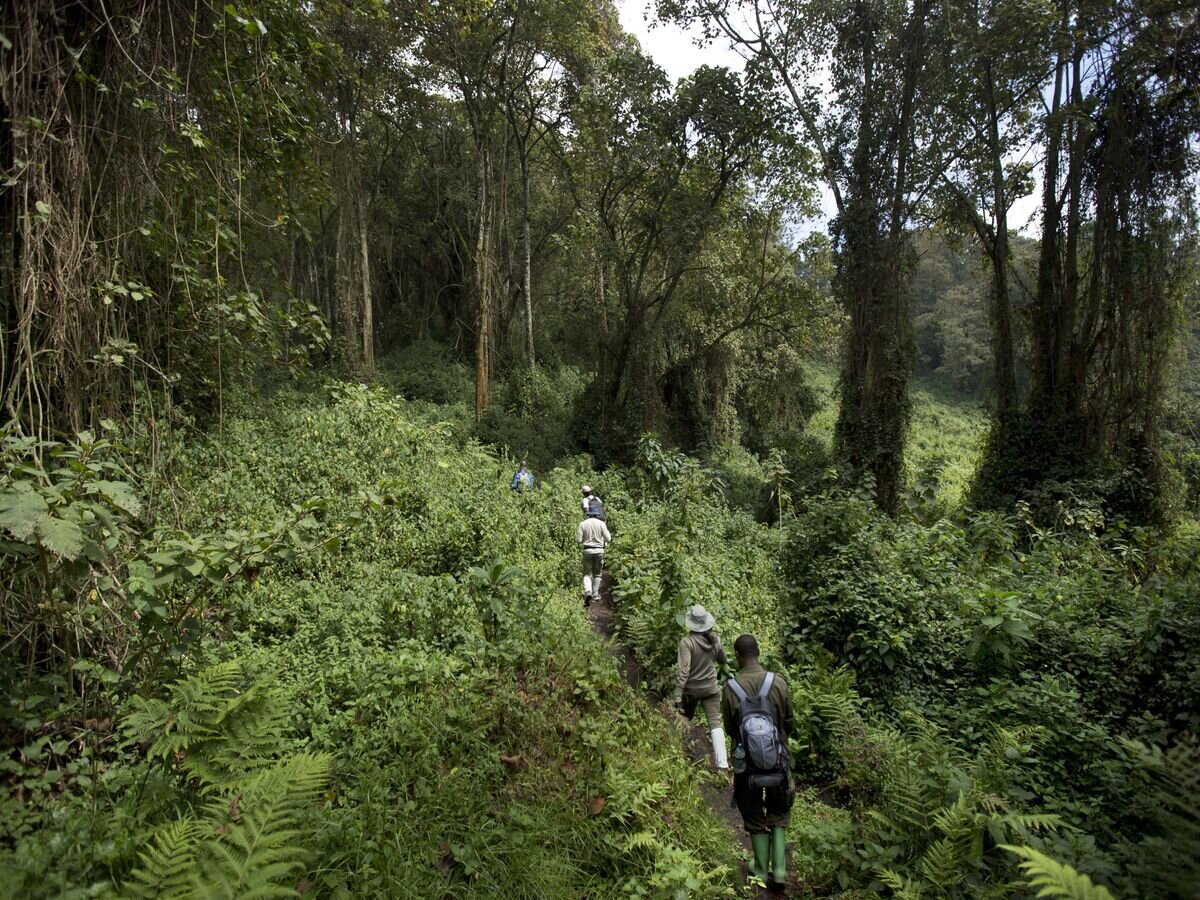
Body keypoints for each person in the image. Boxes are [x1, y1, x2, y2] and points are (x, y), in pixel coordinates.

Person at [722, 634, 794, 887]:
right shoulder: (779, 683)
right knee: (779, 809)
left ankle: (761, 872)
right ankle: (781, 871)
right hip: (778, 760)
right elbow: (788, 722)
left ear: (738, 656)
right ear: (759, 653)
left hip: (746, 767)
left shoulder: (731, 688)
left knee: (753, 813)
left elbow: (731, 729)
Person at [673, 604, 730, 771]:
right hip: (711, 688)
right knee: (715, 723)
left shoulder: (687, 642)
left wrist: (677, 694)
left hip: (691, 690)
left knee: (685, 720)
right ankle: (723, 765)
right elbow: (724, 661)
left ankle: (687, 755)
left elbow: (684, 671)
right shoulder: (716, 640)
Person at [575, 502, 611, 607]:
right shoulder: (602, 524)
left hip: (587, 551)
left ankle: (588, 591)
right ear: (597, 514)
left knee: (587, 574)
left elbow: (578, 540)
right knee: (598, 574)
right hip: (599, 551)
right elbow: (608, 539)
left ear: (589, 513)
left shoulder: (582, 524)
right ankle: (595, 595)